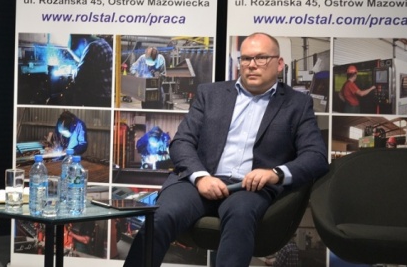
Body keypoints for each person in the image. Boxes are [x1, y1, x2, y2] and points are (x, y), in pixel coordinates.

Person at [123, 32, 328, 267]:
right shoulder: (210, 94)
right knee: (160, 218)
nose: (252, 65)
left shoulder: (297, 104)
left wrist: (274, 174)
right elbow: (182, 142)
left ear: (279, 64)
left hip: (249, 188)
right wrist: (200, 177)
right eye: (246, 58)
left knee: (240, 217)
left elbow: (316, 156)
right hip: (199, 182)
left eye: (261, 58)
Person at [68, 34, 113, 107]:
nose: (81, 53)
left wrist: (72, 71)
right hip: (107, 97)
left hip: (99, 99)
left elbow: (79, 77)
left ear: (83, 41)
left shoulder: (93, 47)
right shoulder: (103, 43)